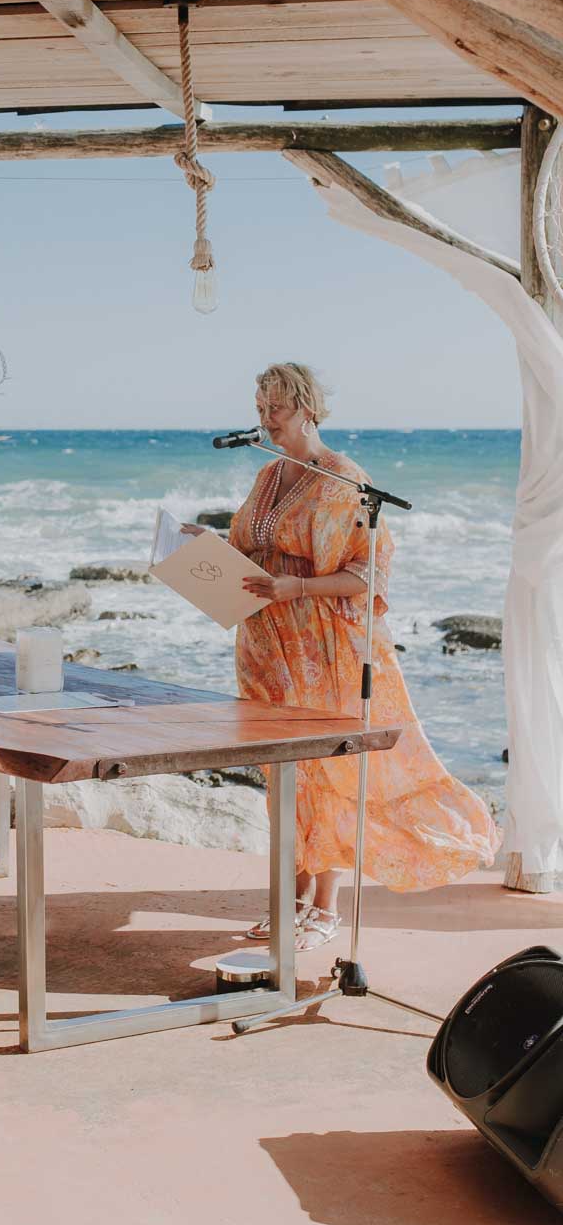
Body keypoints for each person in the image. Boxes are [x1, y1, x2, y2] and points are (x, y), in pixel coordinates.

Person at [198, 362, 498, 950]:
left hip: (321, 650)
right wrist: (202, 546)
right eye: (259, 409)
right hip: (264, 649)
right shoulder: (269, 476)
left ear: (308, 408)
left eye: (275, 409)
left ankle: (325, 909)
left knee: (326, 772)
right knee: (281, 777)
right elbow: (249, 548)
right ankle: (287, 904)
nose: (264, 419)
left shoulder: (343, 480)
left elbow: (369, 573)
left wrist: (298, 588)